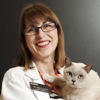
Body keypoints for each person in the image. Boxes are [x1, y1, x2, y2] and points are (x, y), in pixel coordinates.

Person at [1, 2, 66, 100]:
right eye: (31, 29)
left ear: (58, 32)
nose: (40, 34)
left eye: (47, 25)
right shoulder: (15, 78)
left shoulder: (75, 73)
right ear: (24, 40)